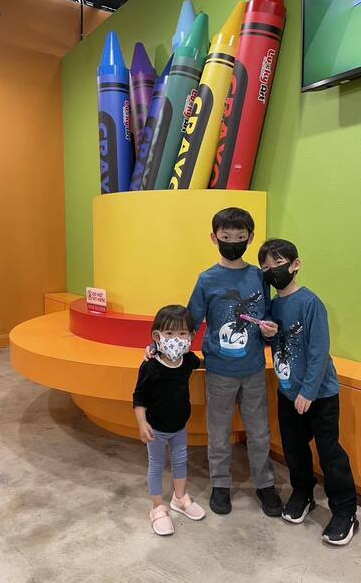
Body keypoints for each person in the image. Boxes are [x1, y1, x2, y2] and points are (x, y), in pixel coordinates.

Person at [258, 238, 358, 546]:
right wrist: (268, 335)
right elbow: (278, 344)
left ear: (295, 265)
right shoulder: (273, 305)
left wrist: (309, 392)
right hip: (287, 392)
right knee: (294, 449)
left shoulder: (310, 302)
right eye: (266, 267)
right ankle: (303, 494)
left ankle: (345, 511)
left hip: (319, 395)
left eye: (278, 264)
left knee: (329, 453)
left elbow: (319, 350)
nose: (273, 271)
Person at [188, 207, 282, 517]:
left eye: (240, 237)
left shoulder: (259, 277)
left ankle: (265, 484)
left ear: (250, 238)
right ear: (214, 238)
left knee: (259, 432)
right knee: (218, 432)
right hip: (219, 370)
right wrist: (162, 348)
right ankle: (220, 484)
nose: (233, 242)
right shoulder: (207, 279)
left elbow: (268, 315)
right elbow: (191, 321)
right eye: (226, 237)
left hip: (254, 368)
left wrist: (270, 330)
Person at [133, 304, 205, 536]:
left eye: (182, 333)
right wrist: (142, 423)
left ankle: (179, 498)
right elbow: (139, 398)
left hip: (179, 427)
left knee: (181, 461)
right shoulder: (150, 366)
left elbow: (203, 363)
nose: (176, 339)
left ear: (191, 336)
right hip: (156, 429)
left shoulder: (188, 359)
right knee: (156, 465)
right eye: (169, 333)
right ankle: (157, 507)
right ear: (157, 336)